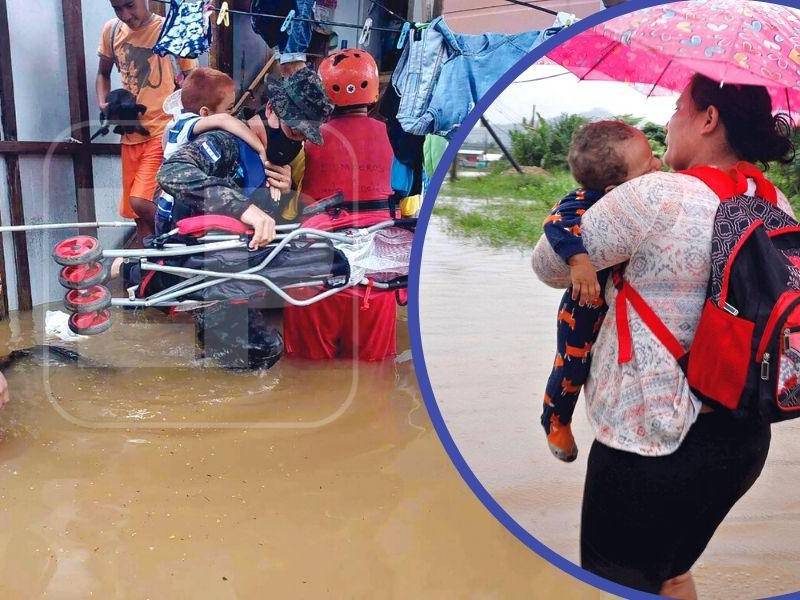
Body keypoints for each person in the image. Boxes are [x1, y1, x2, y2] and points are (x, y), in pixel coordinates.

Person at [532, 73, 795, 598]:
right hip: (744, 437)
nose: (669, 123)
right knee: (670, 573)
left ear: (708, 119)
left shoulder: (654, 195)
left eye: (678, 108)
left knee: (618, 581)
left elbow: (548, 266)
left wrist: (584, 202)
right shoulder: (775, 201)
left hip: (650, 439)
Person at [541, 121, 662, 463]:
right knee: (572, 367)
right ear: (613, 189)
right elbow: (555, 225)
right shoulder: (583, 201)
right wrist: (579, 261)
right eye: (648, 165)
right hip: (583, 306)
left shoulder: (649, 197)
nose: (657, 165)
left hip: (618, 308)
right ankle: (556, 419)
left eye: (654, 157)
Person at [282, 49, 398, 361]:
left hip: (314, 272)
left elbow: (286, 194)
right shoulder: (398, 141)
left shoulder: (304, 141)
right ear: (374, 94)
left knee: (305, 375)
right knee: (376, 378)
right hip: (377, 274)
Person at [155, 67, 331, 248]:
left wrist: (285, 195)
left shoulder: (276, 161)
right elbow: (172, 171)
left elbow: (277, 230)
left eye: (304, 138)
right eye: (294, 132)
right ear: (270, 109)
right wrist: (242, 208)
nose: (297, 142)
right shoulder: (224, 141)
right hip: (194, 263)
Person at [96, 0, 197, 244]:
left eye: (130, 5)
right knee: (137, 215)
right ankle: (149, 271)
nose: (125, 15)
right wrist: (104, 104)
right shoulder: (111, 31)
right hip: (130, 137)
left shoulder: (170, 30)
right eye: (117, 9)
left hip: (162, 133)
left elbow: (193, 78)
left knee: (140, 201)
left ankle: (185, 241)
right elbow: (102, 73)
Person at [154, 67, 270, 236]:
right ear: (205, 112)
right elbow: (223, 120)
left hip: (167, 205)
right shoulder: (189, 122)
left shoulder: (175, 124)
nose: (233, 114)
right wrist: (260, 149)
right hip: (173, 211)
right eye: (229, 108)